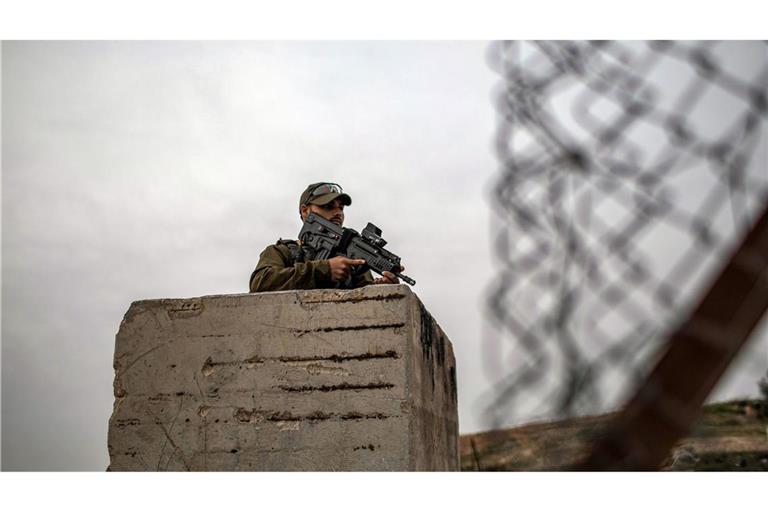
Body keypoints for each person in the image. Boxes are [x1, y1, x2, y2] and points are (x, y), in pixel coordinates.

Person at [249, 182, 401, 292]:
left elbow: (363, 300)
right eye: (328, 206)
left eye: (341, 208)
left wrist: (379, 290)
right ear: (305, 211)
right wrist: (325, 269)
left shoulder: (351, 262)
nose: (338, 213)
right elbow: (260, 282)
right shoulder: (283, 252)